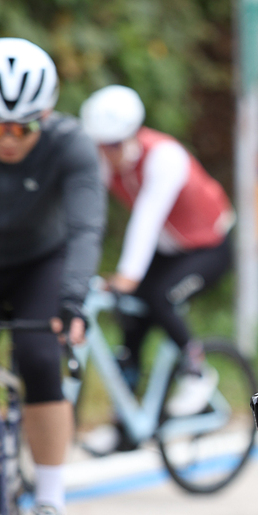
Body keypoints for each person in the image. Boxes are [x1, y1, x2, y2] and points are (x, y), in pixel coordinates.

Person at [0, 38, 105, 515]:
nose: (8, 140)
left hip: (39, 265)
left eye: (24, 127)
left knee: (38, 356)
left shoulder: (71, 144)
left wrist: (72, 301)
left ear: (46, 116)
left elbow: (85, 229)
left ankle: (50, 501)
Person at [78, 85, 235, 449]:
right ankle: (124, 428)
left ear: (133, 134)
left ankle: (197, 372)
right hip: (168, 249)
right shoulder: (104, 158)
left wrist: (127, 276)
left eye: (113, 145)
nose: (107, 155)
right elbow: (86, 213)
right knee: (131, 323)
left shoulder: (164, 156)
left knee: (160, 297)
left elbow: (146, 219)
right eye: (100, 146)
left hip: (209, 246)